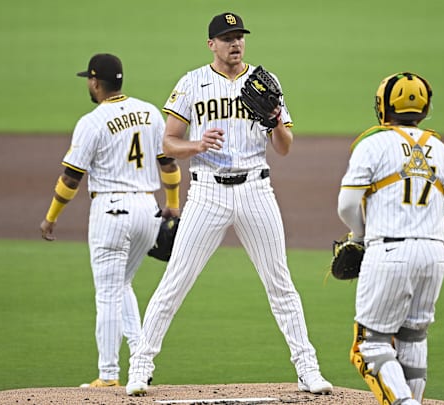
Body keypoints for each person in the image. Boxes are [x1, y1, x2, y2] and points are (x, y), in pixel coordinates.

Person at [125, 12, 333, 397]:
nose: (235, 43)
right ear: (211, 45)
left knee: (280, 283)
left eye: (239, 37)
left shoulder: (265, 83)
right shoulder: (192, 83)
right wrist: (197, 145)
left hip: (256, 190)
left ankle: (308, 370)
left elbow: (284, 149)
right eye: (226, 38)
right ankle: (140, 367)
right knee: (175, 281)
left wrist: (275, 120)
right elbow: (168, 143)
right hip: (207, 194)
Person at [39, 53, 181, 388]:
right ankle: (140, 357)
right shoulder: (149, 112)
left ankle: (108, 375)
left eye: (88, 80)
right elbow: (169, 166)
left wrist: (50, 218)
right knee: (122, 285)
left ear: (94, 81)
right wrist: (172, 206)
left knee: (106, 293)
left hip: (111, 212)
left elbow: (71, 178)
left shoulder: (92, 121)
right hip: (149, 211)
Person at [336, 72, 444, 405]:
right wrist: (425, 237)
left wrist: (361, 238)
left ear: (382, 106)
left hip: (388, 251)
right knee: (413, 336)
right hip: (435, 254)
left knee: (370, 345)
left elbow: (347, 205)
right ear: (425, 107)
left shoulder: (372, 144)